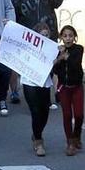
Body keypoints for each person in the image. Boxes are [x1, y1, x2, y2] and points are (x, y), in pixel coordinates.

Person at [23, 23, 55, 157]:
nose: (44, 37)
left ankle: (37, 133)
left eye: (46, 35)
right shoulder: (28, 46)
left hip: (44, 82)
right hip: (29, 81)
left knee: (44, 111)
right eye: (42, 34)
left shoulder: (52, 48)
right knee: (35, 111)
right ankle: (38, 141)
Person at [53, 25, 84, 156]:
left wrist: (67, 57)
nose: (68, 38)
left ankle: (77, 135)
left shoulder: (78, 49)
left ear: (74, 37)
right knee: (67, 115)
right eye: (65, 36)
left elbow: (75, 64)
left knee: (79, 115)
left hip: (77, 87)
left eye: (70, 36)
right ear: (61, 38)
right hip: (64, 88)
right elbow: (55, 70)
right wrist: (60, 57)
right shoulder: (59, 51)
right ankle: (70, 142)